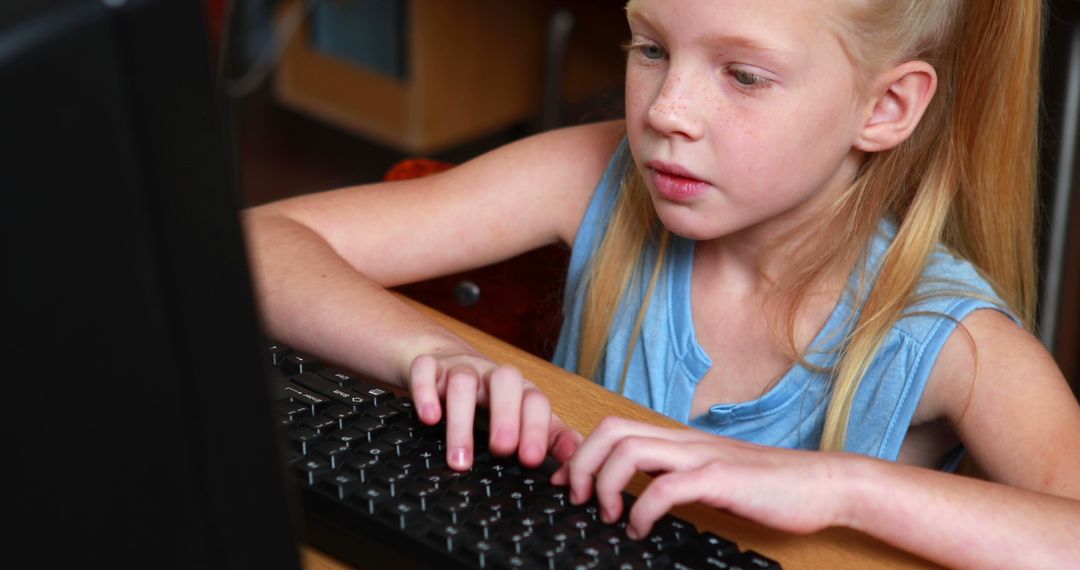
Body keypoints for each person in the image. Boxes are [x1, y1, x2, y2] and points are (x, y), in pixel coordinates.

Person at [242, 0, 1080, 567]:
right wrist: (429, 349)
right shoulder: (593, 177)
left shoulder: (948, 338)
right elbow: (258, 242)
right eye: (651, 47)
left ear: (887, 107)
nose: (667, 109)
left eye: (742, 75)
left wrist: (840, 486)